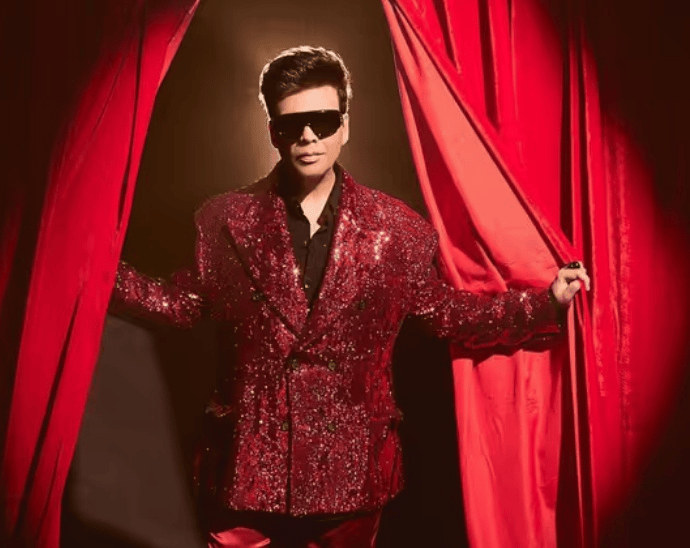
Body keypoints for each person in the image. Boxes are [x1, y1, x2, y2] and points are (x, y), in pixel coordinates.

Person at [113, 46, 590, 548]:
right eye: (291, 124)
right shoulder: (222, 220)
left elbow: (449, 314)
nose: (308, 136)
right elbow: (180, 304)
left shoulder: (399, 230)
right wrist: (97, 270)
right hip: (244, 472)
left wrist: (546, 303)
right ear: (273, 130)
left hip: (352, 474)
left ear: (345, 125)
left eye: (322, 120)